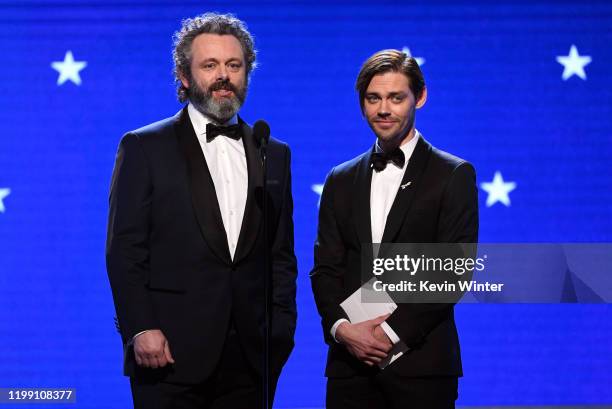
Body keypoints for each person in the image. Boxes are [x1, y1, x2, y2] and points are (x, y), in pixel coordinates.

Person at [106, 12, 297, 409]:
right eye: (210, 65)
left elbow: (280, 255)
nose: (223, 75)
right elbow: (124, 250)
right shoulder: (144, 147)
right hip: (168, 353)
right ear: (185, 75)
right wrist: (140, 327)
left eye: (234, 64)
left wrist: (281, 331)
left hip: (251, 357)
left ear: (247, 71)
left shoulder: (273, 152)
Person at [310, 49, 478, 409]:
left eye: (395, 97)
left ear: (420, 97)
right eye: (373, 98)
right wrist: (343, 330)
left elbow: (453, 271)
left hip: (422, 368)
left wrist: (388, 334)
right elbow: (326, 269)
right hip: (349, 369)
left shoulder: (452, 174)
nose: (383, 109)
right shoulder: (340, 179)